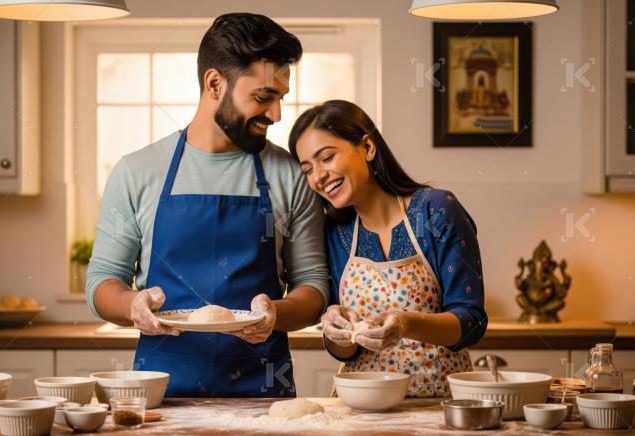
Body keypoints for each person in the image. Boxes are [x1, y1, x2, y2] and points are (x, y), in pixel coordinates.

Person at [86, 13, 329, 397]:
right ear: (215, 83)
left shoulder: (290, 174)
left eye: (281, 98)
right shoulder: (137, 171)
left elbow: (313, 286)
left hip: (264, 395)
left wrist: (274, 315)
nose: (277, 114)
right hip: (160, 396)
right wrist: (133, 304)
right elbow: (102, 281)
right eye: (264, 97)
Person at [289, 100, 487, 397]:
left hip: (435, 403)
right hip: (359, 405)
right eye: (307, 170)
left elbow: (471, 322)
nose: (318, 176)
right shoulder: (333, 232)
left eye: (327, 157)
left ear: (367, 147)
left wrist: (405, 325)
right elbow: (345, 351)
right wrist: (336, 332)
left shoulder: (435, 210)